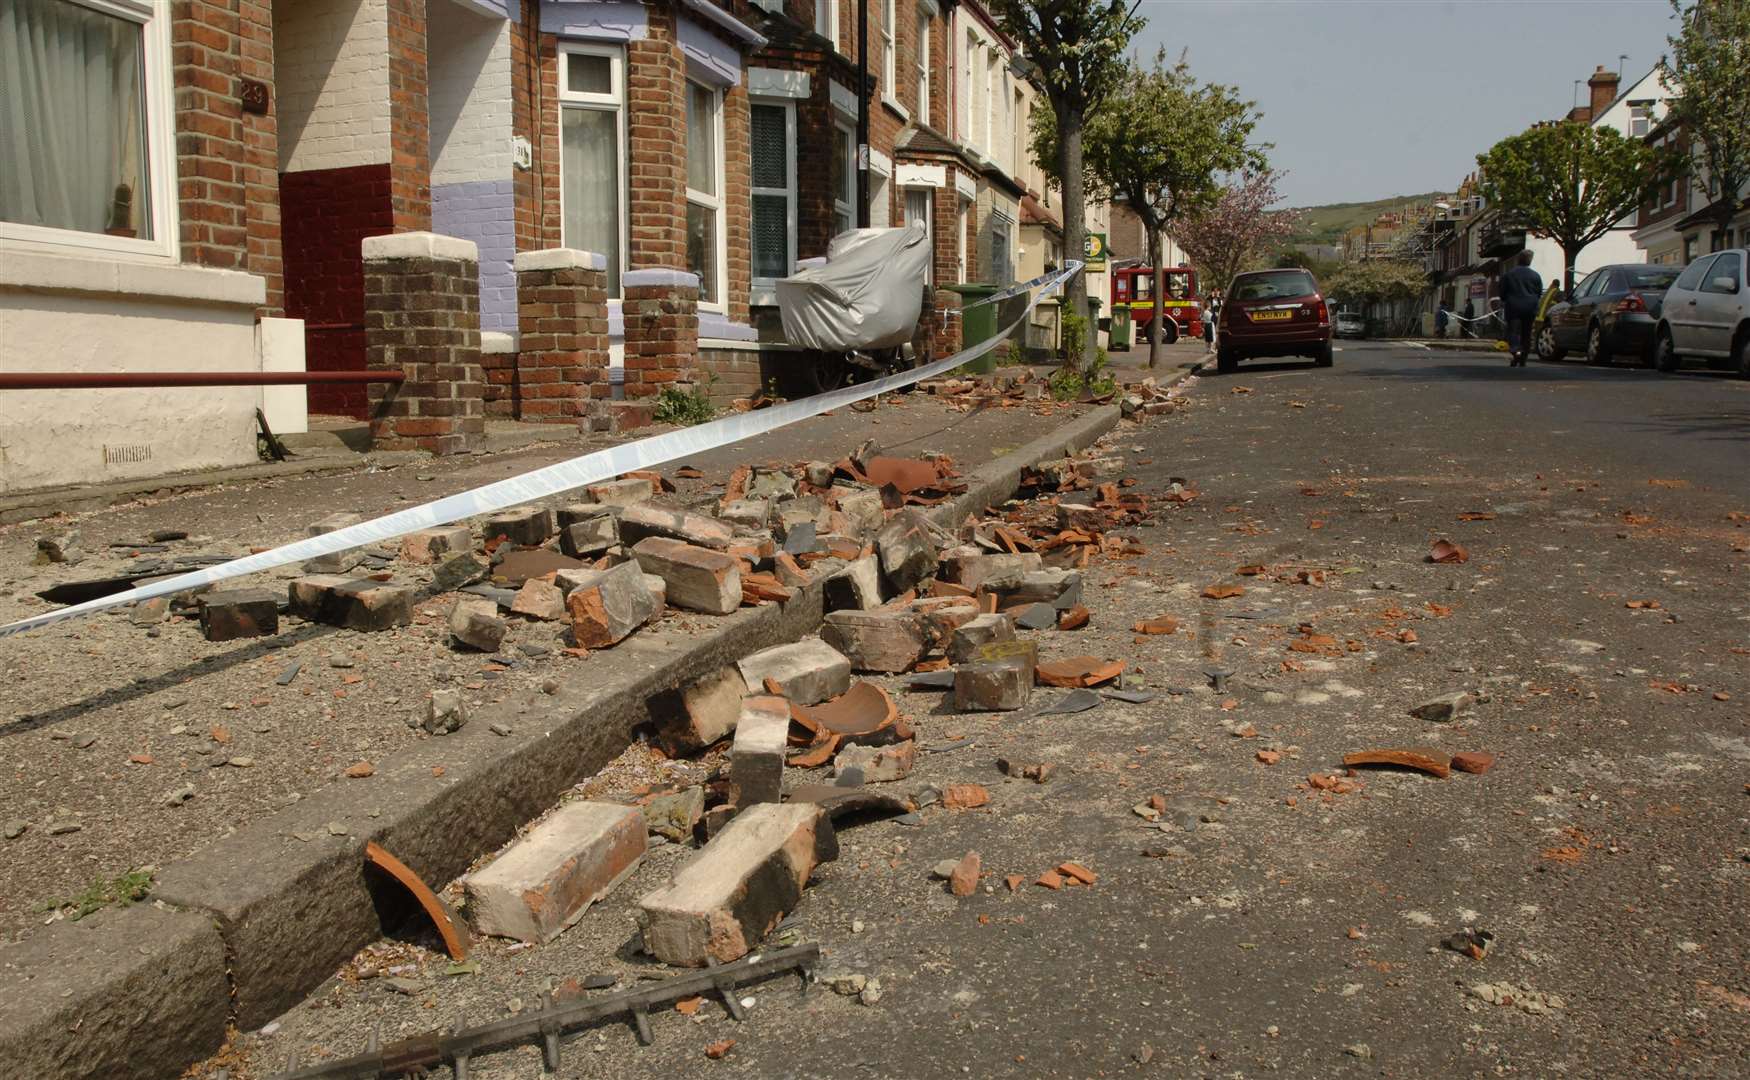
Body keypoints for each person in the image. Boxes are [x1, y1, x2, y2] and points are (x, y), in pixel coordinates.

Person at [1499, 251, 1544, 366]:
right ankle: (1523, 357)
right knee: (1527, 332)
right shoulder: (1536, 275)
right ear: (1530, 260)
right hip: (1530, 307)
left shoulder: (1509, 274)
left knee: (1513, 331)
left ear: (1518, 260)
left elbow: (1502, 292)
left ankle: (1516, 350)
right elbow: (1539, 292)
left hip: (1513, 307)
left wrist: (1505, 299)